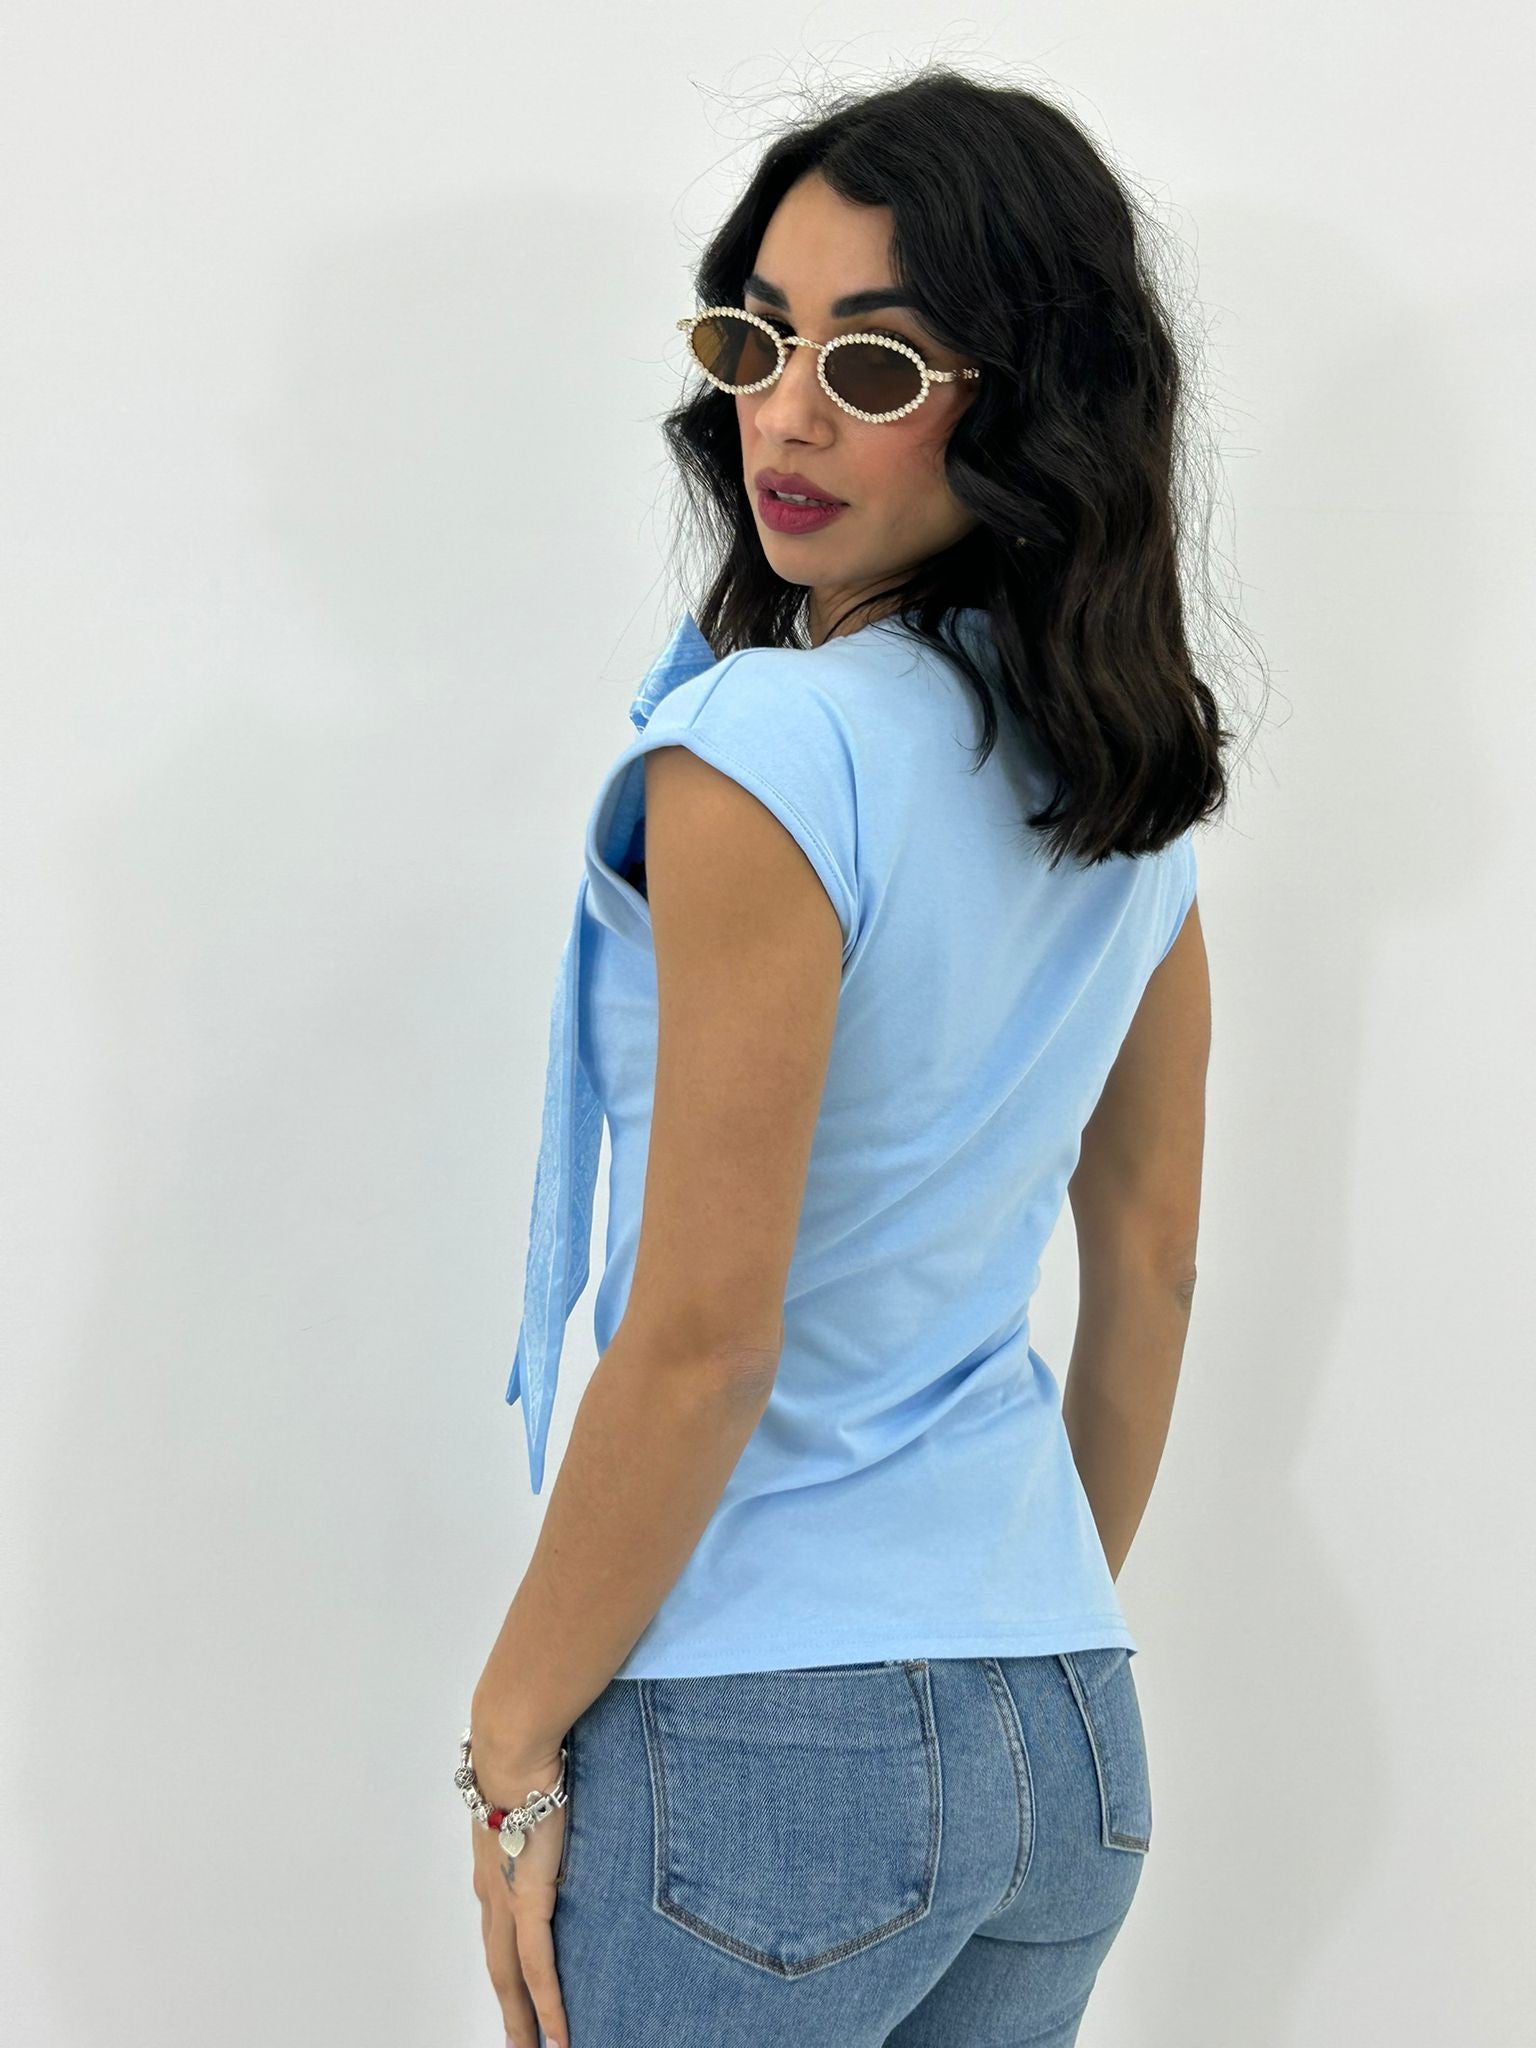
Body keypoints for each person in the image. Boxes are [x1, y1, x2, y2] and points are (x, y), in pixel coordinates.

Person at [467, 64, 1234, 2048]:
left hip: (762, 1734)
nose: (787, 416)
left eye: (875, 367)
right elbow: (1153, 1265)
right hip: (1065, 1721)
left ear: (1029, 401)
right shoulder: (1121, 790)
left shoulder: (768, 746)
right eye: (758, 340)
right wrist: (991, 1637)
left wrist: (511, 1735)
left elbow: (705, 1336)